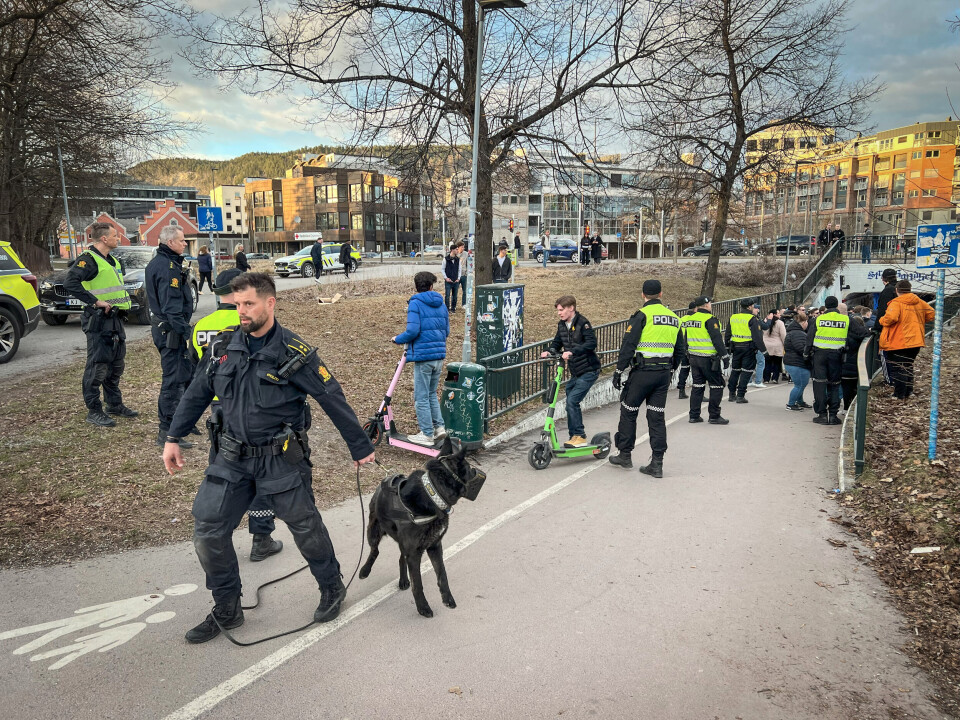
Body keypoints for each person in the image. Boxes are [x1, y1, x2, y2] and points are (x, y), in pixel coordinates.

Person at [162, 272, 375, 642]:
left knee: (305, 527)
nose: (240, 310)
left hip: (279, 458)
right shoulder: (223, 348)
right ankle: (227, 607)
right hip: (230, 457)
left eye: (248, 304)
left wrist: (360, 447)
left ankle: (331, 586)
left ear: (270, 303)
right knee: (208, 531)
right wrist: (173, 437)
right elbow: (197, 393)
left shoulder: (296, 354)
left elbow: (331, 397)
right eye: (236, 303)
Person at [190, 268, 285, 563]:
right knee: (259, 475)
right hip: (250, 410)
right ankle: (261, 538)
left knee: (222, 478)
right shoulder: (248, 323)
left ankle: (218, 540)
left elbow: (200, 372)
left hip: (218, 412)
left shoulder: (201, 326)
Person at [608, 279, 686, 478]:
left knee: (628, 411)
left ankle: (625, 455)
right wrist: (671, 371)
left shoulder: (642, 315)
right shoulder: (674, 318)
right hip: (662, 375)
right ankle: (657, 463)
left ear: (643, 295)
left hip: (642, 373)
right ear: (661, 294)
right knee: (656, 416)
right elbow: (680, 350)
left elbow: (629, 344)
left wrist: (619, 371)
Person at [62, 222, 137, 427]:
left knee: (116, 365)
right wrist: (95, 301)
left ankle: (114, 404)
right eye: (115, 235)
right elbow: (70, 283)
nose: (118, 237)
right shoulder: (89, 260)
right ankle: (94, 410)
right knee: (98, 366)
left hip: (115, 318)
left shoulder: (111, 260)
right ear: (104, 239)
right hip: (99, 319)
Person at [145, 226, 196, 448]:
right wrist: (187, 332)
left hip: (169, 328)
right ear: (170, 243)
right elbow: (171, 307)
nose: (185, 244)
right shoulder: (167, 268)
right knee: (173, 380)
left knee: (185, 375)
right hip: (170, 331)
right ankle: (166, 431)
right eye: (182, 240)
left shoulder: (166, 262)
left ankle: (182, 422)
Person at [392, 271, 450, 445]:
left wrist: (397, 339)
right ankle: (439, 428)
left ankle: (426, 434)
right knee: (431, 394)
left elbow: (412, 331)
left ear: (416, 287)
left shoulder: (415, 303)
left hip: (424, 358)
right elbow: (446, 331)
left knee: (421, 397)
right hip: (438, 356)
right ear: (431, 286)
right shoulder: (441, 304)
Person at [541, 296, 601, 447]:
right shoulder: (562, 325)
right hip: (576, 372)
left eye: (561, 310)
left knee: (572, 401)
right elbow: (557, 342)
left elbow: (591, 343)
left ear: (571, 308)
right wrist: (550, 351)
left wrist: (572, 351)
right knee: (570, 403)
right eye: (558, 310)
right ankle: (574, 436)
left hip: (589, 370)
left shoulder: (583, 323)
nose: (559, 313)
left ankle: (579, 436)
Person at [878, 280, 935, 400]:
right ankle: (909, 392)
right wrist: (916, 322)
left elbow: (891, 318)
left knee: (898, 368)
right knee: (908, 366)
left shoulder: (896, 303)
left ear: (897, 290)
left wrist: (881, 320)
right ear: (909, 289)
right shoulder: (918, 302)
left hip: (898, 341)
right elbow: (931, 313)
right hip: (915, 341)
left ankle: (899, 395)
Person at [682, 296, 730, 425]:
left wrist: (687, 353)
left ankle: (694, 415)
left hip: (693, 358)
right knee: (717, 385)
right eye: (710, 302)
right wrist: (725, 357)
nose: (711, 304)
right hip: (708, 359)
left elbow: (685, 339)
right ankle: (714, 416)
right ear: (706, 305)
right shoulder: (710, 320)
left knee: (698, 386)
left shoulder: (690, 320)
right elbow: (717, 340)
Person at [805, 295, 848, 425]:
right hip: (836, 356)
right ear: (836, 306)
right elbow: (861, 332)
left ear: (826, 305)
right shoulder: (846, 319)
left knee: (819, 384)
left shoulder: (818, 319)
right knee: (834, 385)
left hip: (819, 356)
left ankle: (822, 415)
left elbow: (809, 338)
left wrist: (806, 354)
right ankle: (833, 415)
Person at [724, 298, 766, 403]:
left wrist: (727, 347)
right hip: (748, 348)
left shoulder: (733, 317)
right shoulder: (753, 319)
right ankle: (740, 395)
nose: (754, 307)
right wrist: (764, 351)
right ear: (749, 307)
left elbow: (728, 334)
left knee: (735, 371)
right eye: (753, 306)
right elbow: (757, 337)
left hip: (736, 348)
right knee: (746, 372)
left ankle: (731, 394)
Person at [840, 304, 870, 411]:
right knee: (856, 387)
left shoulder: (845, 336)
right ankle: (856, 407)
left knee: (846, 388)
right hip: (860, 367)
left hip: (845, 366)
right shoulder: (863, 338)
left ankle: (847, 408)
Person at [783, 310, 812, 411]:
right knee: (799, 385)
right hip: (797, 363)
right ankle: (791, 404)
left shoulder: (792, 332)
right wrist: (810, 353)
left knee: (801, 384)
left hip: (792, 361)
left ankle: (800, 401)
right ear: (803, 323)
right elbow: (801, 348)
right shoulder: (798, 333)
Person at [874, 267, 899, 385]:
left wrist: (876, 328)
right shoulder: (899, 289)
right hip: (901, 330)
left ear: (883, 278)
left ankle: (890, 381)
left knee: (885, 355)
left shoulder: (888, 291)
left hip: (888, 329)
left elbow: (882, 311)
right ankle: (899, 381)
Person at [676, 301, 696, 399]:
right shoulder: (696, 320)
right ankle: (698, 393)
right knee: (697, 371)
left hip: (682, 348)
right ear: (695, 309)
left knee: (684, 368)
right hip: (693, 348)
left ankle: (681, 390)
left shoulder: (681, 319)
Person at [762, 309, 786, 384]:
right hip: (777, 345)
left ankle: (766, 379)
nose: (780, 315)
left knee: (767, 363)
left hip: (766, 345)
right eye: (778, 313)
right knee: (777, 363)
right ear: (774, 314)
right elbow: (783, 335)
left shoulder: (764, 322)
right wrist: (785, 344)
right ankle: (775, 378)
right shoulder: (780, 323)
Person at [441, 241, 463, 311]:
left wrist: (458, 278)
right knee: (447, 295)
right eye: (456, 249)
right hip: (448, 280)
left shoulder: (458, 259)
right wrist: (446, 278)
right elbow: (442, 269)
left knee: (455, 296)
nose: (457, 250)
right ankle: (447, 308)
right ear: (452, 250)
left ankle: (453, 308)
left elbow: (460, 269)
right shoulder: (446, 259)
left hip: (455, 280)